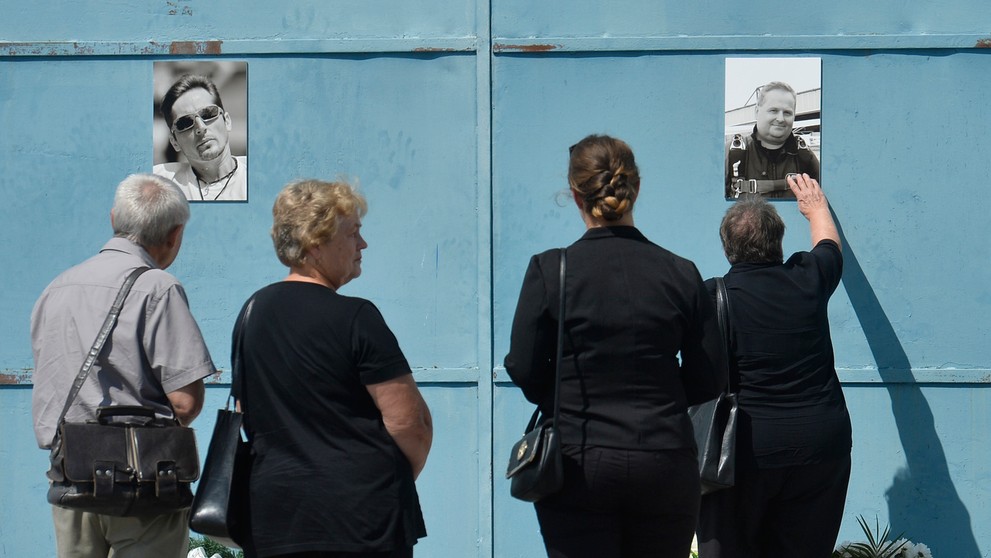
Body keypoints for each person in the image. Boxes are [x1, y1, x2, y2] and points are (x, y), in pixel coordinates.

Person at [504, 134, 727, 558]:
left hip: (579, 460)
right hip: (665, 458)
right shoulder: (681, 273)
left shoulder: (551, 270)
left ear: (575, 196)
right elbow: (708, 377)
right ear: (635, 189)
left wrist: (563, 398)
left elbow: (524, 365)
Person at [233, 179, 432, 558]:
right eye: (353, 233)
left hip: (276, 521)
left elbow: (247, 413)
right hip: (360, 523)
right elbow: (411, 424)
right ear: (315, 243)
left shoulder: (251, 313)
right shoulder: (356, 317)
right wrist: (386, 483)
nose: (363, 244)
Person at [31, 174, 216, 558]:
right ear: (174, 235)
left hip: (73, 478)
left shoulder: (56, 289)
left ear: (113, 218)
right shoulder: (158, 288)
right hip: (144, 482)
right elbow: (184, 404)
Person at [697, 174, 852, 558]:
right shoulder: (808, 279)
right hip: (821, 448)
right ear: (778, 243)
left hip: (747, 454)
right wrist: (816, 208)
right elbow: (829, 246)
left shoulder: (710, 297)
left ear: (727, 248)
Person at [154, 74, 247, 201]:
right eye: (185, 123)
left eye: (208, 113)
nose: (200, 127)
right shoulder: (160, 184)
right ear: (174, 142)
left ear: (227, 121)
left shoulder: (260, 175)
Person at [725, 81, 819, 199]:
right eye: (773, 111)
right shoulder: (732, 153)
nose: (780, 119)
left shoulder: (805, 156)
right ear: (757, 112)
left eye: (787, 113)